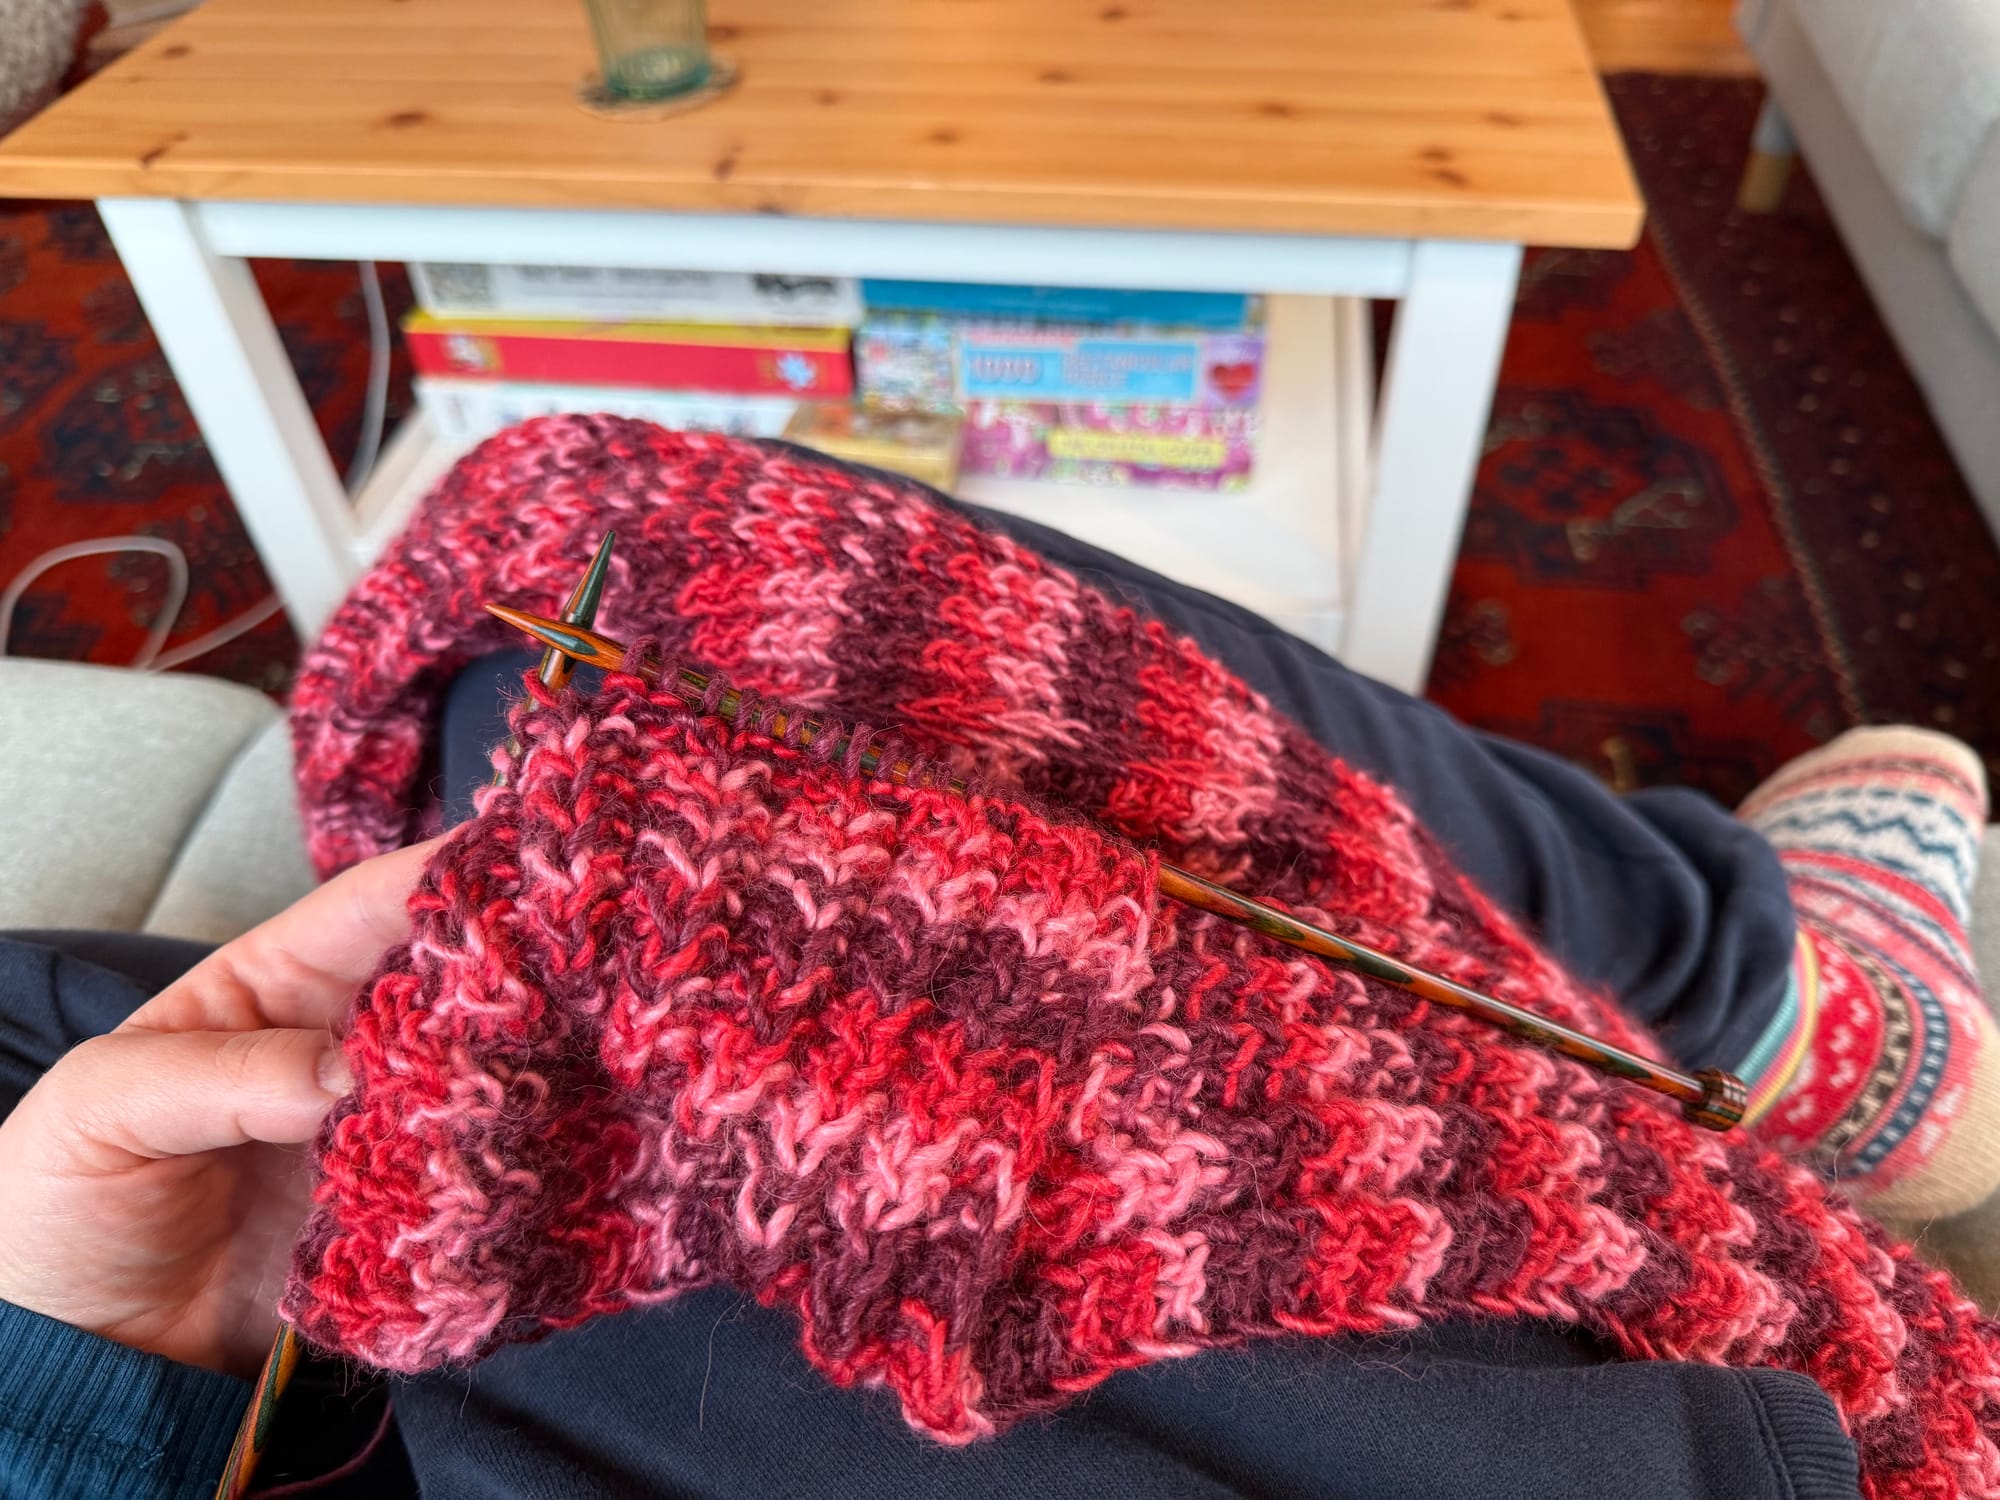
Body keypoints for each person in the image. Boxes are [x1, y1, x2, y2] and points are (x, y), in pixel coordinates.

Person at [2, 499, 1984, 1499]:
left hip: (172, 1318)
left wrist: (89, 1393)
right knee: (654, 574)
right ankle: (1771, 1004)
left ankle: (1731, 995)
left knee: (553, 678)